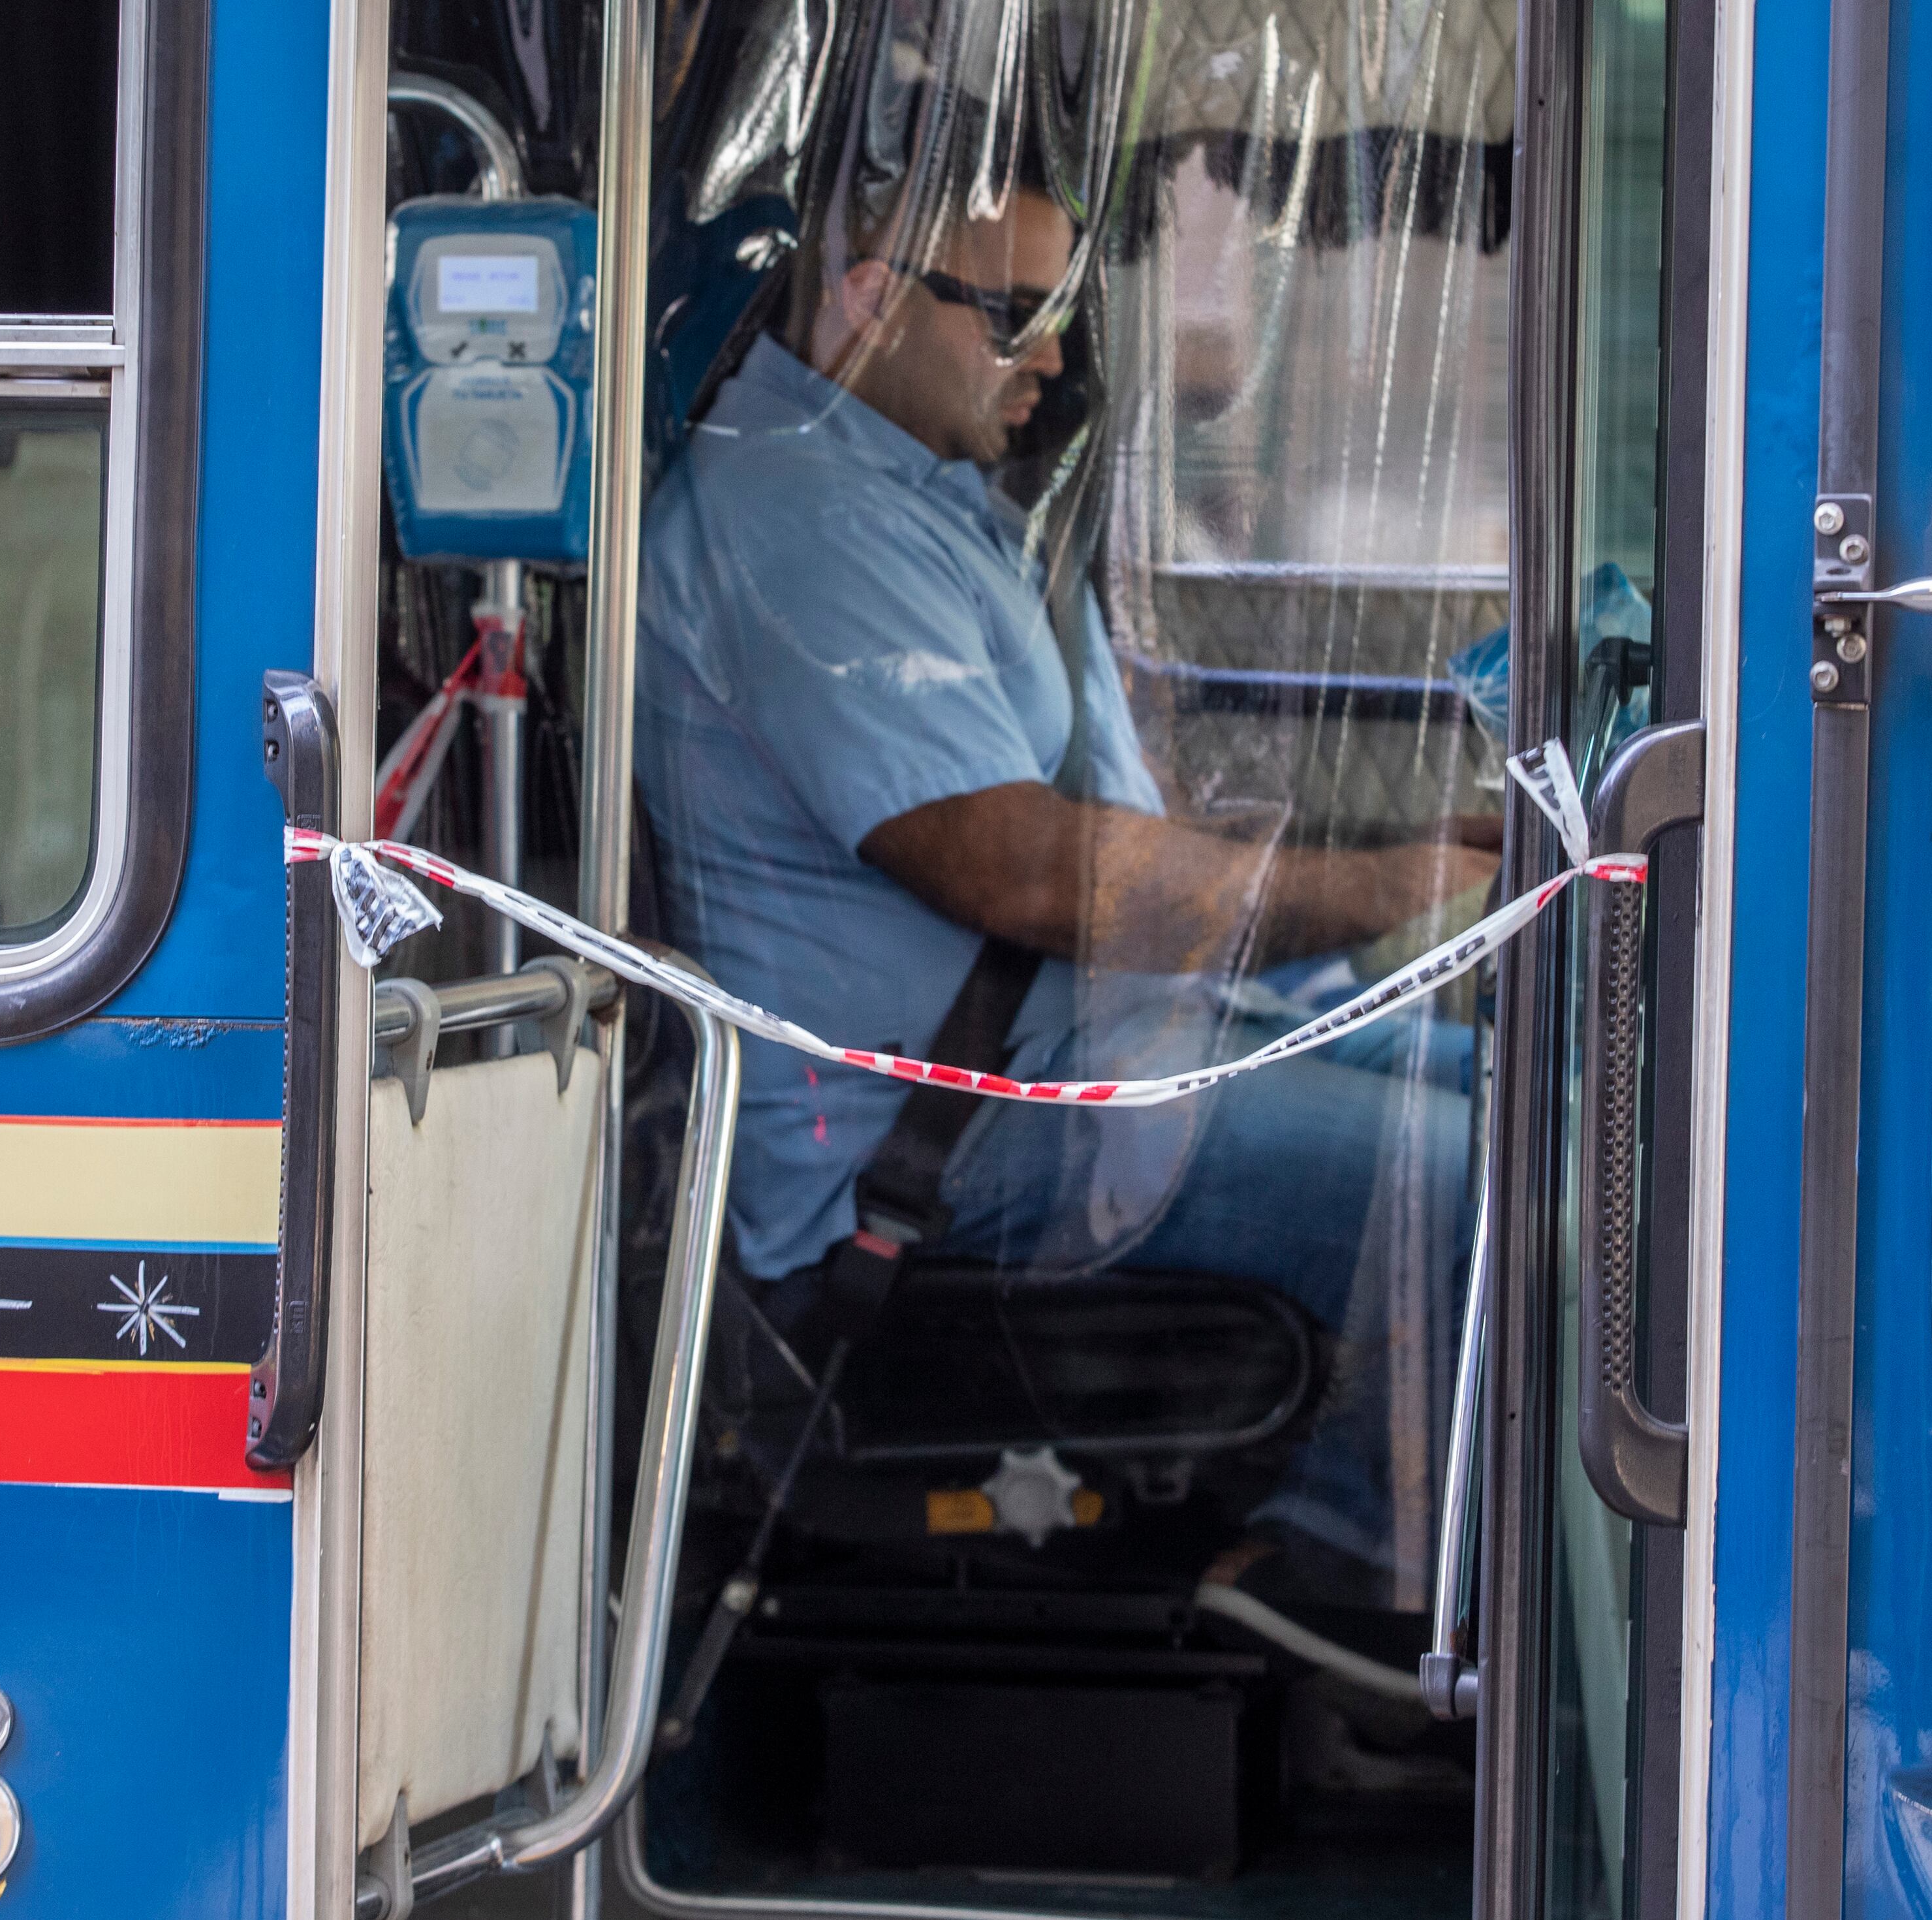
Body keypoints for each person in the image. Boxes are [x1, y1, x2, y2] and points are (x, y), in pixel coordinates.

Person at [636, 174, 1499, 1589]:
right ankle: (1334, 1587)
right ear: (868, 299)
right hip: (928, 1154)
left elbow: (1110, 810)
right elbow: (1027, 873)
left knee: (1536, 1113)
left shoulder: (924, 495)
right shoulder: (798, 519)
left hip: (1083, 1055)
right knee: (1471, 1181)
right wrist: (1376, 885)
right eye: (1014, 320)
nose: (1049, 358)